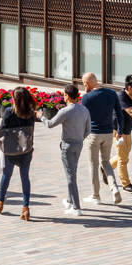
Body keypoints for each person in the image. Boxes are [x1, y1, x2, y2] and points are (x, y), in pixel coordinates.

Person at [44, 82, 90, 216]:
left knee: (70, 177)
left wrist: (40, 116)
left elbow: (50, 124)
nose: (63, 97)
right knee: (73, 172)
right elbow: (88, 130)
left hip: (67, 146)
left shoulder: (65, 111)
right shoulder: (84, 110)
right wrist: (80, 138)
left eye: (64, 95)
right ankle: (70, 200)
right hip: (79, 144)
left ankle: (76, 207)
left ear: (68, 96)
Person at [79, 72, 122, 205]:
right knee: (106, 162)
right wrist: (120, 131)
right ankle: (114, 187)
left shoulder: (87, 97)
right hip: (108, 133)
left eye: (84, 83)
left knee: (93, 164)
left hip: (93, 134)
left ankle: (96, 195)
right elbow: (119, 113)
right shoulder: (111, 93)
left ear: (86, 84)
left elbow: (82, 117)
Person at [0, 86, 37, 220]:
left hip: (11, 150)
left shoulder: (9, 111)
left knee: (6, 176)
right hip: (26, 150)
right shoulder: (31, 113)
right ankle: (25, 208)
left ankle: (0, 202)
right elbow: (31, 131)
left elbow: (2, 129)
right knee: (25, 178)